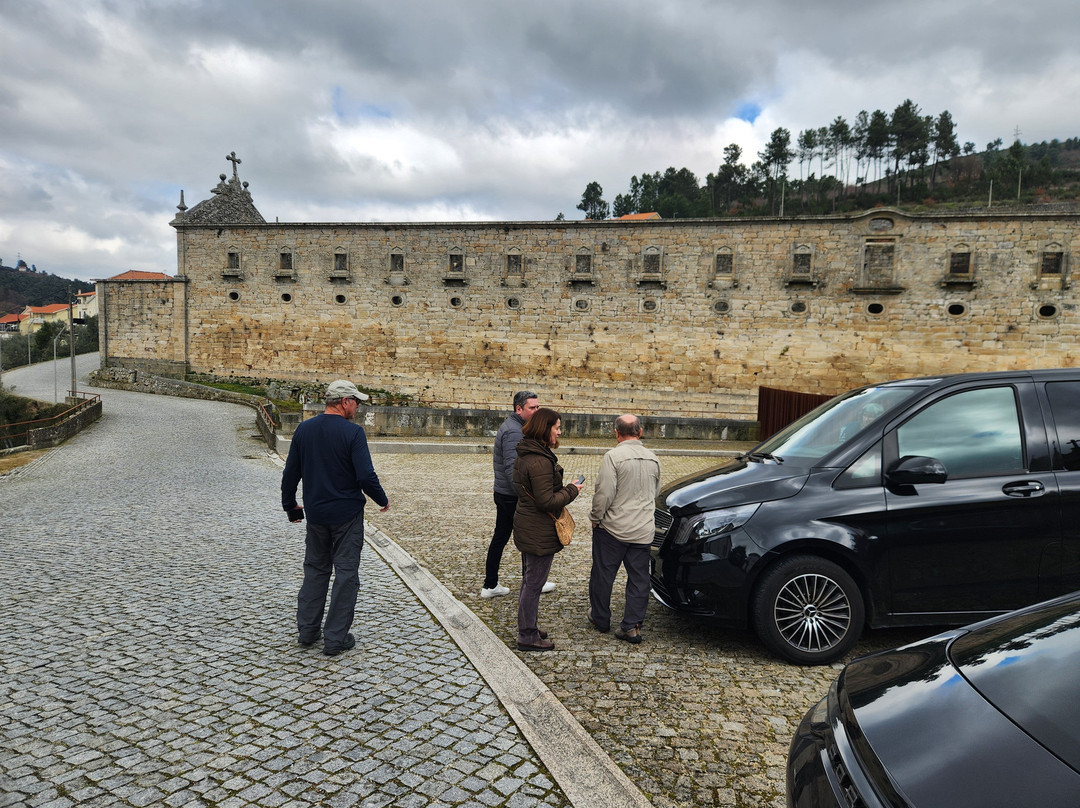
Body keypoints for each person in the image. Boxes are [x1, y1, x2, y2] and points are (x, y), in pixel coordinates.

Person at [281, 379, 390, 657]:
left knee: (315, 571)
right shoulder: (353, 433)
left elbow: (291, 473)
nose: (358, 407)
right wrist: (382, 499)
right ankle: (335, 638)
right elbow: (365, 475)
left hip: (316, 514)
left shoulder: (304, 429)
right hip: (347, 516)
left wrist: (291, 507)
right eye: (356, 402)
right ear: (345, 402)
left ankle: (307, 631)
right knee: (346, 574)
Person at [512, 408, 583, 651]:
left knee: (529, 580)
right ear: (545, 428)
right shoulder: (540, 461)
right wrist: (573, 489)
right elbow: (546, 502)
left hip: (527, 523)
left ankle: (528, 625)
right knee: (534, 583)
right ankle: (527, 636)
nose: (560, 432)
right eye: (557, 428)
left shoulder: (527, 452)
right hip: (538, 528)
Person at [587, 414, 661, 644]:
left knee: (603, 574)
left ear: (616, 433)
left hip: (614, 528)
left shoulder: (613, 457)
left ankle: (600, 617)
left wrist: (596, 518)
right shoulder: (653, 458)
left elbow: (604, 493)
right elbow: (655, 493)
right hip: (642, 530)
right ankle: (632, 626)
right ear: (639, 432)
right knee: (639, 579)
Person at [481, 390, 556, 598]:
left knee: (501, 536)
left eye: (537, 407)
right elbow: (512, 468)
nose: (536, 411)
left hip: (505, 493)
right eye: (532, 408)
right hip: (512, 496)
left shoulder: (517, 427)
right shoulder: (515, 431)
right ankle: (532, 583)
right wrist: (525, 496)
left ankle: (491, 584)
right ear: (519, 409)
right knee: (529, 538)